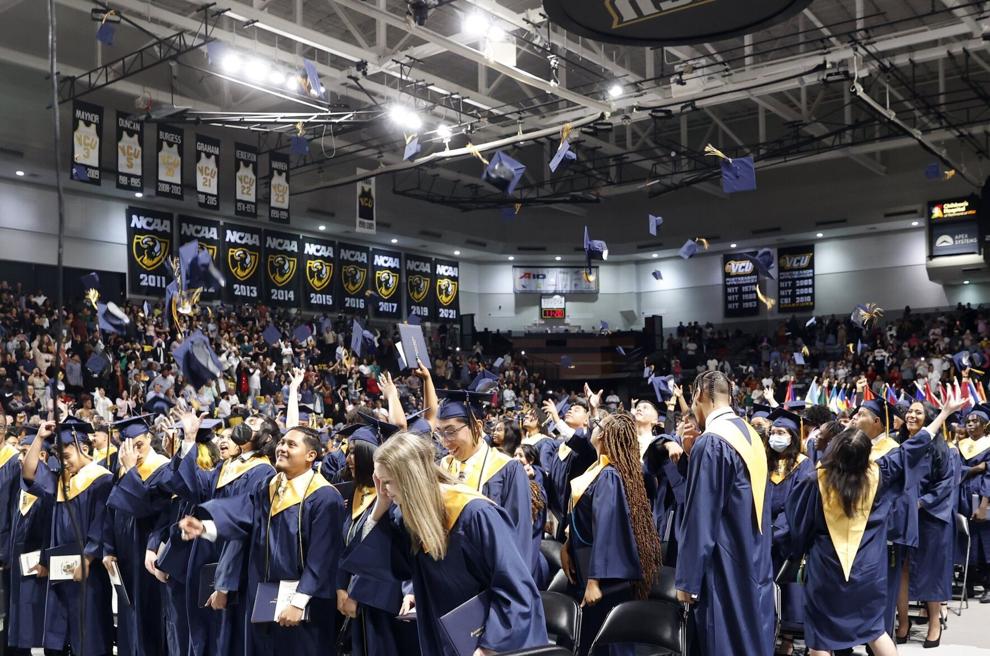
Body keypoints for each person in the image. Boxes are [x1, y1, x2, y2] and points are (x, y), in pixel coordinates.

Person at [785, 395, 967, 656]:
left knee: (821, 640)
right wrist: (943, 414)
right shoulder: (878, 474)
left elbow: (799, 526)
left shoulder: (815, 481)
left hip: (826, 569)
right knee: (874, 631)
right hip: (869, 569)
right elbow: (912, 448)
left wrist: (796, 552)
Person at [339, 432, 549, 656]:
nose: (385, 489)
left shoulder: (475, 514)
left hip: (493, 639)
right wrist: (381, 503)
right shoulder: (412, 518)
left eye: (387, 482)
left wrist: (488, 647)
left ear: (411, 479)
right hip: (445, 632)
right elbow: (375, 559)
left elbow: (516, 588)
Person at [178, 425, 345, 656]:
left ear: (311, 456)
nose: (282, 448)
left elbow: (323, 557)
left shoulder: (324, 497)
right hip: (264, 602)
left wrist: (298, 602)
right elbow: (242, 516)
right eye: (282, 442)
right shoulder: (270, 487)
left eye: (291, 444)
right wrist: (205, 527)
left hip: (304, 608)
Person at [675, 370, 775, 656]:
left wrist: (687, 580)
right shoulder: (750, 435)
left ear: (698, 396)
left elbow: (700, 518)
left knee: (723, 642)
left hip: (724, 564)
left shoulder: (713, 442)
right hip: (753, 558)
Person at [169, 411, 277, 656]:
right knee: (207, 630)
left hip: (235, 564)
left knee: (228, 636)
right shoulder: (228, 466)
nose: (244, 426)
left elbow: (243, 526)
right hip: (208, 554)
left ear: (266, 438)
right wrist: (189, 439)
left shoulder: (262, 473)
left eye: (252, 423)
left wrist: (225, 584)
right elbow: (192, 486)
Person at [561, 412, 663, 656]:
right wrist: (567, 544)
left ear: (604, 435)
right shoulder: (598, 469)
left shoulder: (609, 476)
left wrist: (595, 580)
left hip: (605, 578)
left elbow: (607, 528)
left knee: (610, 643)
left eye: (597, 425)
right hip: (586, 564)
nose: (592, 428)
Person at [21, 417, 114, 656]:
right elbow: (29, 474)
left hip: (88, 575)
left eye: (67, 456)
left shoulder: (101, 480)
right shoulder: (61, 481)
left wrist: (87, 560)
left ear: (83, 448)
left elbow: (101, 524)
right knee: (58, 640)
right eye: (60, 458)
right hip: (59, 571)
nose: (64, 463)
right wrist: (40, 437)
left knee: (89, 637)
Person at [436, 388, 533, 568]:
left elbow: (518, 534)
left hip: (489, 573)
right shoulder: (444, 467)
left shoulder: (507, 469)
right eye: (439, 433)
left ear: (477, 427)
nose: (444, 442)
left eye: (450, 432)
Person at [102, 415, 173, 656]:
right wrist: (109, 548)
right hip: (124, 555)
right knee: (128, 618)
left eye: (139, 445)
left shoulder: (164, 469)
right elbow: (111, 510)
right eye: (129, 446)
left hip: (147, 554)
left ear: (150, 438)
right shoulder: (123, 469)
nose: (135, 452)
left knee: (148, 618)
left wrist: (131, 469)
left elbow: (145, 508)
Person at [335, 422, 402, 656]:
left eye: (354, 451)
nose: (348, 458)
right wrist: (340, 588)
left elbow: (385, 556)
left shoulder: (391, 499)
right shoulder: (352, 495)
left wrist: (358, 593)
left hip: (379, 601)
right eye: (348, 451)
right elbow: (343, 548)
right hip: (352, 600)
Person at [905, 401, 958, 647]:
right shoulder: (903, 444)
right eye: (910, 411)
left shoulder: (941, 448)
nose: (911, 415)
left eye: (918, 412)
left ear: (928, 419)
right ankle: (903, 623)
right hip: (905, 517)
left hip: (931, 518)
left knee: (931, 571)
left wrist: (922, 502)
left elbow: (947, 483)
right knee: (903, 569)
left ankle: (934, 624)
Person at [7, 428, 54, 656]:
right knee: (20, 617)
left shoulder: (48, 487)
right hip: (20, 561)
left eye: (25, 452)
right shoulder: (20, 487)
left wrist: (45, 558)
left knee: (34, 621)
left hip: (36, 562)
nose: (19, 457)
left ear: (42, 456)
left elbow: (49, 526)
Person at [958, 404, 990, 602]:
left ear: (985, 425)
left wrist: (984, 504)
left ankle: (988, 585)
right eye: (968, 422)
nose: (970, 425)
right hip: (963, 497)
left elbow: (989, 476)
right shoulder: (962, 445)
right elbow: (955, 469)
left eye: (975, 422)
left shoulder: (988, 444)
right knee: (965, 541)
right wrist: (975, 468)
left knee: (985, 541)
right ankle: (968, 584)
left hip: (982, 498)